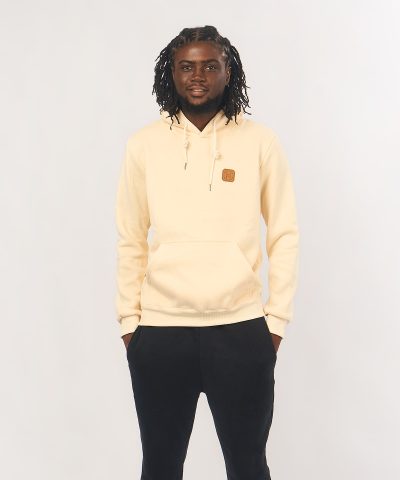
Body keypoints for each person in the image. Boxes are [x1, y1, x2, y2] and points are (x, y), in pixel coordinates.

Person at [115, 25, 299, 480]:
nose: (197, 76)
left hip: (240, 330)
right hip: (160, 332)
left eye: (209, 66)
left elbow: (283, 233)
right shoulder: (143, 145)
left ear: (227, 71)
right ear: (171, 73)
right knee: (160, 467)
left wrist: (275, 322)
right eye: (187, 67)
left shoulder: (260, 142)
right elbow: (130, 237)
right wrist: (130, 323)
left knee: (248, 466)